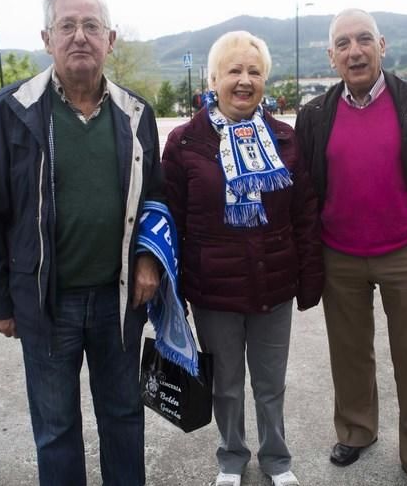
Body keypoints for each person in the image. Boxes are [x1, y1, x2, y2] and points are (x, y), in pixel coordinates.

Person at [0, 0, 163, 486]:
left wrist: (148, 261)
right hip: (44, 302)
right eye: (67, 26)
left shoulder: (136, 114)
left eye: (91, 26)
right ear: (46, 38)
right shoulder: (12, 110)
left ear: (110, 39)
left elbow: (156, 203)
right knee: (55, 429)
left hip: (117, 302)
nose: (80, 36)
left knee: (123, 418)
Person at [295, 9, 407, 486]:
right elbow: (305, 185)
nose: (355, 51)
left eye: (364, 40)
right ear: (332, 57)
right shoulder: (314, 114)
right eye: (344, 44)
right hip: (340, 254)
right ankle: (356, 431)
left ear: (382, 45)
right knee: (349, 354)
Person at [162, 31, 323, 486]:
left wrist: (310, 277)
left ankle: (277, 459)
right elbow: (169, 218)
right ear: (214, 78)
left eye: (254, 71)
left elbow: (305, 212)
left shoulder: (285, 139)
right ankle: (231, 457)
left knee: (271, 385)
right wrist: (170, 291)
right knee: (226, 385)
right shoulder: (185, 143)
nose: (245, 80)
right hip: (214, 289)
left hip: (275, 284)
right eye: (234, 70)